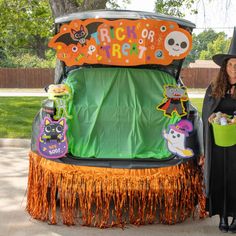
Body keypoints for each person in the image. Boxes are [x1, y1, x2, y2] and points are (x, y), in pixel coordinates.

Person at [202, 27, 236, 233]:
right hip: (219, 145)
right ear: (225, 67)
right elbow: (208, 113)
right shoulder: (214, 88)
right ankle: (223, 216)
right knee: (221, 179)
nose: (234, 68)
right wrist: (214, 116)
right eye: (231, 64)